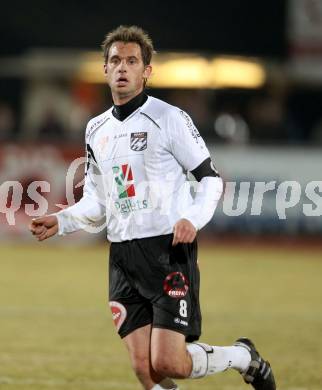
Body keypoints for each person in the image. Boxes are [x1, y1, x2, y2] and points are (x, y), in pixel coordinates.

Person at [29, 25, 276, 390]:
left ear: (147, 71)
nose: (122, 67)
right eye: (115, 60)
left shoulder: (170, 119)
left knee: (168, 362)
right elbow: (98, 201)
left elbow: (210, 178)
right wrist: (61, 220)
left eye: (132, 60)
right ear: (105, 70)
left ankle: (243, 357)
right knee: (146, 371)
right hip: (122, 259)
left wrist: (192, 218)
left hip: (167, 253)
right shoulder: (95, 129)